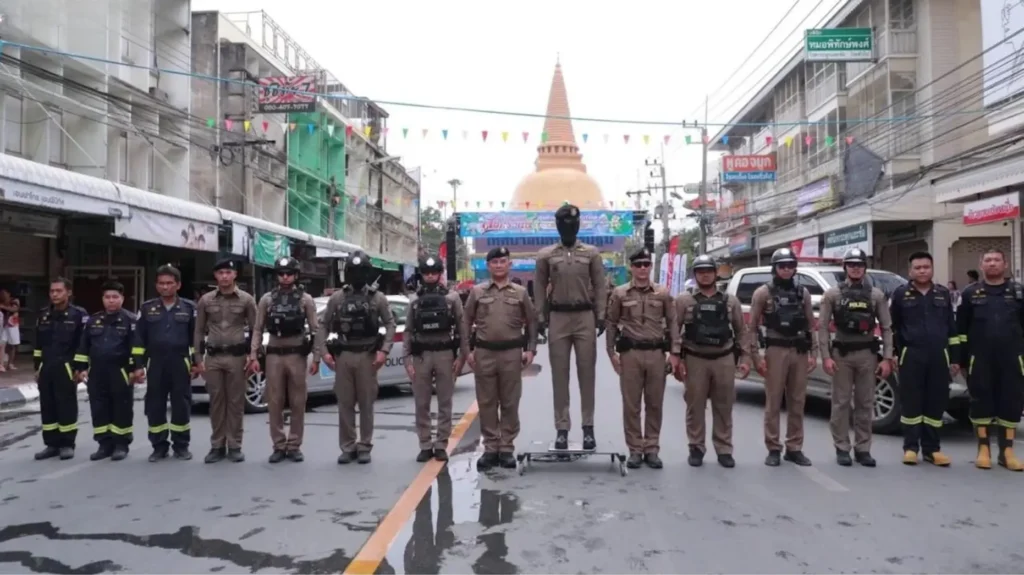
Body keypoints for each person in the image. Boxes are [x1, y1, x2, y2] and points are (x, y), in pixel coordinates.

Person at [534, 204, 607, 451]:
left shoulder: (591, 253)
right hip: (558, 317)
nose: (570, 228)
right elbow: (539, 287)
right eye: (565, 224)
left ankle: (588, 427)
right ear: (558, 226)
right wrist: (540, 317)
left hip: (584, 316)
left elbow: (600, 285)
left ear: (578, 225)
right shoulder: (546, 255)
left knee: (587, 374)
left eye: (574, 224)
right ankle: (562, 429)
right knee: (560, 376)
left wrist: (601, 314)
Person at [316, 250, 396, 465]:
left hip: (368, 357)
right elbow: (323, 325)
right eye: (353, 271)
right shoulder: (338, 298)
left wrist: (384, 351)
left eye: (361, 271)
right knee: (345, 403)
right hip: (344, 356)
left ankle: (365, 445)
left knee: (366, 403)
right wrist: (324, 352)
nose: (357, 275)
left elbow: (390, 324)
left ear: (368, 273)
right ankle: (348, 446)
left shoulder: (377, 298)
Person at [817, 248, 893, 468]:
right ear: (845, 267)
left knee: (865, 403)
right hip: (841, 356)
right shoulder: (832, 295)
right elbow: (822, 327)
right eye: (851, 265)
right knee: (840, 403)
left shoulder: (876, 295)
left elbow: (887, 328)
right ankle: (842, 447)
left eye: (859, 264)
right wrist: (826, 357)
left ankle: (863, 448)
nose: (856, 268)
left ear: (865, 268)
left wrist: (887, 358)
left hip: (867, 356)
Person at [463, 246, 538, 471]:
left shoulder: (520, 293)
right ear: (488, 266)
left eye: (502, 261)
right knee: (486, 402)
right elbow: (466, 322)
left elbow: (532, 321)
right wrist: (467, 351)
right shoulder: (477, 292)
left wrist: (531, 349)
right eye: (494, 262)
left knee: (510, 401)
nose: (498, 265)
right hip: (484, 353)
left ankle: (506, 448)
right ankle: (490, 448)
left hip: (511, 354)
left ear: (509, 264)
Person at [605, 247, 679, 469]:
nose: (642, 269)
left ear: (651, 267)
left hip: (656, 354)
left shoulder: (662, 293)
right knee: (632, 405)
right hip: (631, 354)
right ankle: (635, 450)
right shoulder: (620, 294)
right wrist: (611, 353)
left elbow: (673, 322)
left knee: (655, 403)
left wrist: (675, 353)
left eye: (646, 264)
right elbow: (611, 323)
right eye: (638, 265)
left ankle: (652, 449)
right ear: (632, 268)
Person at [674, 255, 750, 468]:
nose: (705, 275)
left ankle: (724, 449)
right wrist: (676, 358)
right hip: (695, 358)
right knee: (695, 405)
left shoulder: (730, 301)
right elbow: (673, 331)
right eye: (700, 271)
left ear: (716, 273)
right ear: (695, 275)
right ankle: (696, 447)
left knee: (724, 405)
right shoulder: (684, 300)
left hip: (724, 358)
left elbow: (741, 332)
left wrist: (745, 358)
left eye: (709, 271)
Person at [747, 248, 816, 467]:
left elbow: (810, 325)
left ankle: (794, 447)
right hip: (775, 350)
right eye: (782, 266)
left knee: (797, 400)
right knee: (774, 401)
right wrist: (756, 357)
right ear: (774, 268)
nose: (786, 270)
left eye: (790, 266)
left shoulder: (803, 293)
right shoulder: (762, 293)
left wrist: (813, 353)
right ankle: (773, 447)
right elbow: (752, 328)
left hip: (799, 350)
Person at [889, 251, 959, 467]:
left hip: (939, 355)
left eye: (926, 267)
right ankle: (910, 448)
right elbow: (893, 327)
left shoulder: (943, 294)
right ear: (910, 271)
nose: (922, 271)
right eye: (917, 268)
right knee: (911, 402)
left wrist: (955, 358)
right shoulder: (901, 294)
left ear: (932, 269)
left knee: (935, 402)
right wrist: (893, 353)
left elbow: (951, 327)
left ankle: (932, 449)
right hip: (911, 354)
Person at [957, 248, 1023, 471]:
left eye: (996, 260)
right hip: (980, 358)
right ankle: (983, 449)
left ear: (1005, 264)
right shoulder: (970, 293)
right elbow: (961, 330)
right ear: (981, 265)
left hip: (1012, 358)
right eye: (988, 260)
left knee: (1011, 403)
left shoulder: (1018, 292)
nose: (992, 263)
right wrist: (961, 360)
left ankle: (1007, 452)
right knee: (980, 403)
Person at [404, 254, 471, 462]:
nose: (430, 276)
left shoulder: (452, 298)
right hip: (421, 356)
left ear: (440, 274)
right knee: (421, 403)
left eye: (434, 273)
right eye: (427, 273)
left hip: (445, 355)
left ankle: (441, 444)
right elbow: (408, 330)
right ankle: (425, 444)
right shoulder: (414, 300)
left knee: (445, 402)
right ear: (422, 275)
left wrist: (462, 357)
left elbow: (462, 329)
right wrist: (407, 360)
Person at [252, 257, 318, 464]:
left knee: (298, 401)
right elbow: (257, 329)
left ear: (296, 275)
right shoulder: (267, 300)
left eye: (289, 273)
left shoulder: (305, 299)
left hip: (297, 355)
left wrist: (317, 357)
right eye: (281, 274)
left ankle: (295, 444)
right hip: (273, 355)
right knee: (274, 401)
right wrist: (254, 355)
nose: (285, 277)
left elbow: (315, 329)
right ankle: (279, 445)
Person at [132, 264, 199, 463]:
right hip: (155, 363)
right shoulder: (146, 308)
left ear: (178, 285)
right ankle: (159, 446)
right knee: (155, 405)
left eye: (169, 283)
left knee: (181, 405)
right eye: (161, 283)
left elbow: (195, 339)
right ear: (156, 285)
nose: (165, 287)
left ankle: (181, 446)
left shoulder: (190, 308)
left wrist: (196, 362)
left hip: (180, 362)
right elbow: (139, 340)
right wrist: (138, 366)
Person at [193, 258, 258, 464]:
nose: (224, 277)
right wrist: (198, 358)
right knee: (216, 403)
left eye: (228, 273)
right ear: (215, 276)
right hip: (213, 358)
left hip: (237, 357)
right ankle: (217, 446)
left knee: (236, 403)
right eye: (220, 273)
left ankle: (235, 445)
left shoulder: (247, 300)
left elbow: (255, 330)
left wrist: (254, 356)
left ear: (235, 275)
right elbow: (198, 331)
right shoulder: (206, 300)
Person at [73, 280, 137, 461]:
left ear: (122, 298)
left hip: (120, 371)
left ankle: (121, 445)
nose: (111, 300)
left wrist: (134, 369)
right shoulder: (93, 321)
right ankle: (104, 444)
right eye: (107, 297)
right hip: (97, 372)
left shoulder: (131, 320)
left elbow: (136, 348)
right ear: (102, 299)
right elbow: (83, 346)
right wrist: (81, 368)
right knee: (99, 408)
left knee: (121, 408)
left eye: (115, 297)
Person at [32, 277, 89, 460]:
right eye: (52, 291)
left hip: (66, 367)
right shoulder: (43, 315)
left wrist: (81, 368)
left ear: (68, 292)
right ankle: (51, 444)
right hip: (46, 366)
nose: (55, 294)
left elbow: (83, 344)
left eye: (59, 291)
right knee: (47, 406)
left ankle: (67, 444)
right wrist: (37, 367)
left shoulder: (79, 315)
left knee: (66, 405)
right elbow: (38, 344)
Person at [0, 288, 21, 371]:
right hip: (3, 325)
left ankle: (10, 363)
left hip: (12, 325)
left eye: (4, 293)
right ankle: (1, 364)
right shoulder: (1, 300)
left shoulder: (14, 301)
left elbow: (14, 309)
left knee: (12, 345)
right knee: (2, 344)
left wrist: (3, 307)